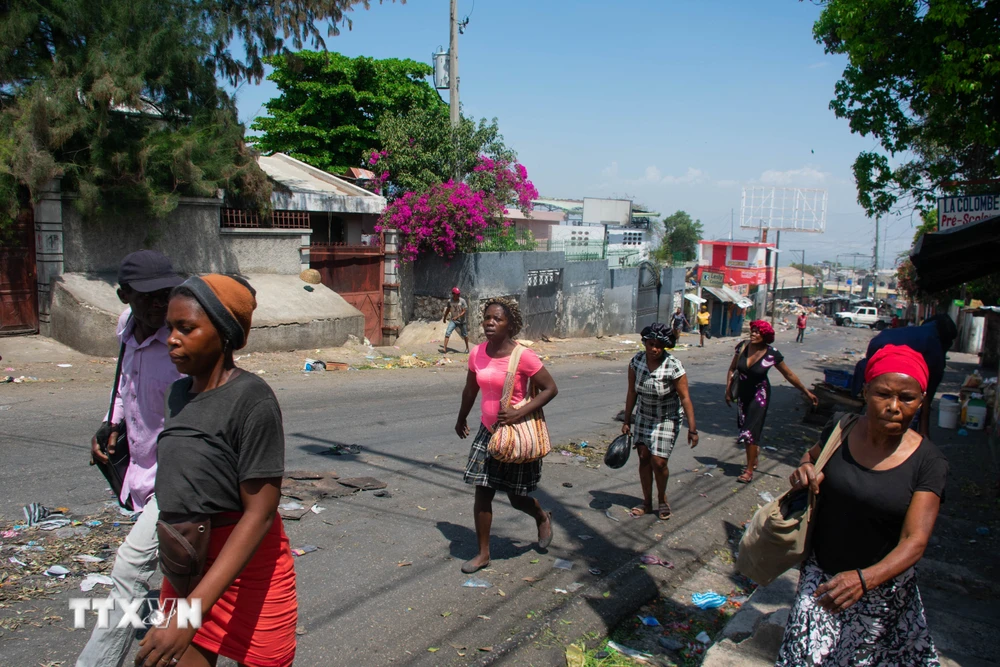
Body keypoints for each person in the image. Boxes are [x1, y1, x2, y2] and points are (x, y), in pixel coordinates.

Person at [135, 275, 296, 667]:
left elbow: (259, 515)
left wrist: (193, 613)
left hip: (247, 571)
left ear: (223, 333)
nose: (172, 338)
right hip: (187, 563)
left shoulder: (252, 400)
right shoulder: (178, 394)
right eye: (170, 328)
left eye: (186, 328)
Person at [775, 344, 948, 666]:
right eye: (883, 394)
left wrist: (865, 579)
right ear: (866, 391)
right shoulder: (840, 429)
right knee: (804, 657)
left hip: (882, 591)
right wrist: (803, 472)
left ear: (922, 401)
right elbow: (810, 459)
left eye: (907, 398)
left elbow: (915, 540)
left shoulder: (929, 462)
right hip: (821, 578)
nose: (894, 407)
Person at [78, 250, 183, 667]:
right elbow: (125, 380)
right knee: (181, 567)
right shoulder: (126, 328)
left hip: (178, 475)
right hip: (142, 467)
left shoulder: (182, 340)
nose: (161, 304)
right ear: (125, 296)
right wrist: (112, 422)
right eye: (150, 297)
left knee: (129, 568)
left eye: (167, 294)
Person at [454, 296, 559, 574]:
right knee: (483, 491)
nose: (490, 323)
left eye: (497, 319)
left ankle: (540, 515)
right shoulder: (477, 353)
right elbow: (470, 389)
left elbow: (550, 388)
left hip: (514, 433)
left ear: (509, 325)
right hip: (486, 432)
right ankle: (484, 554)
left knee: (515, 496)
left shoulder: (523, 356)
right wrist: (461, 416)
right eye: (487, 318)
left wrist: (518, 413)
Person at [621, 323, 698, 520]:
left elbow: (685, 397)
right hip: (644, 415)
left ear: (665, 347)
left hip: (667, 418)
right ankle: (647, 502)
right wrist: (627, 419)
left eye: (659, 346)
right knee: (644, 457)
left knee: (659, 462)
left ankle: (662, 498)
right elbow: (631, 392)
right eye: (650, 344)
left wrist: (692, 428)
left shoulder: (673, 366)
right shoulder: (636, 361)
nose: (654, 349)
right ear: (645, 343)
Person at [726, 320, 818, 483]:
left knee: (750, 432)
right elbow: (733, 368)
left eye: (758, 332)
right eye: (753, 331)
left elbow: (788, 375)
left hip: (760, 396)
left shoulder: (772, 354)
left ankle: (748, 471)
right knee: (744, 426)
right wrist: (728, 390)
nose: (753, 334)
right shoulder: (742, 347)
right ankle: (754, 452)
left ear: (765, 336)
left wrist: (806, 391)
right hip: (742, 394)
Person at [851, 314, 957, 436]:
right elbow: (928, 393)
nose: (894, 406)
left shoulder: (895, 334)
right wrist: (924, 431)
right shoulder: (934, 346)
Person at [441, 287, 469, 354]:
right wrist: (444, 317)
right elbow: (448, 310)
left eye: (459, 294)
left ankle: (467, 348)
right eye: (457, 294)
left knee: (465, 335)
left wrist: (458, 316)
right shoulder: (449, 301)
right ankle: (444, 348)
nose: (458, 296)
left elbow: (464, 311)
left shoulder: (462, 301)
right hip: (453, 320)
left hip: (462, 321)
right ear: (453, 294)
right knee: (448, 332)